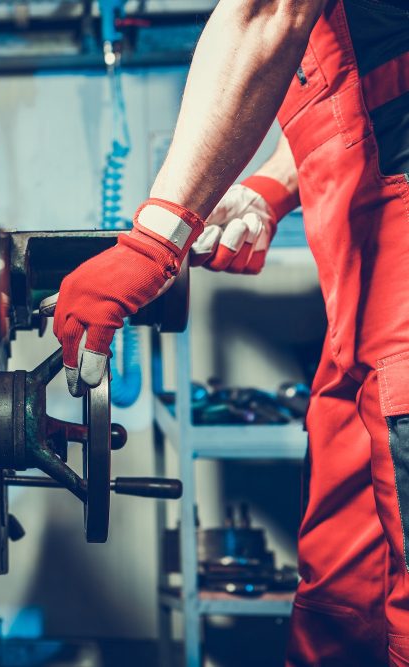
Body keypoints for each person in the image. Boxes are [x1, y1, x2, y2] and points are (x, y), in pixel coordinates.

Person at [43, 0, 409, 664]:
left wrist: (155, 239)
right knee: (344, 615)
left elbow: (270, 11)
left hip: (399, 301)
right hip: (363, 303)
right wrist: (270, 187)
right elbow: (367, 89)